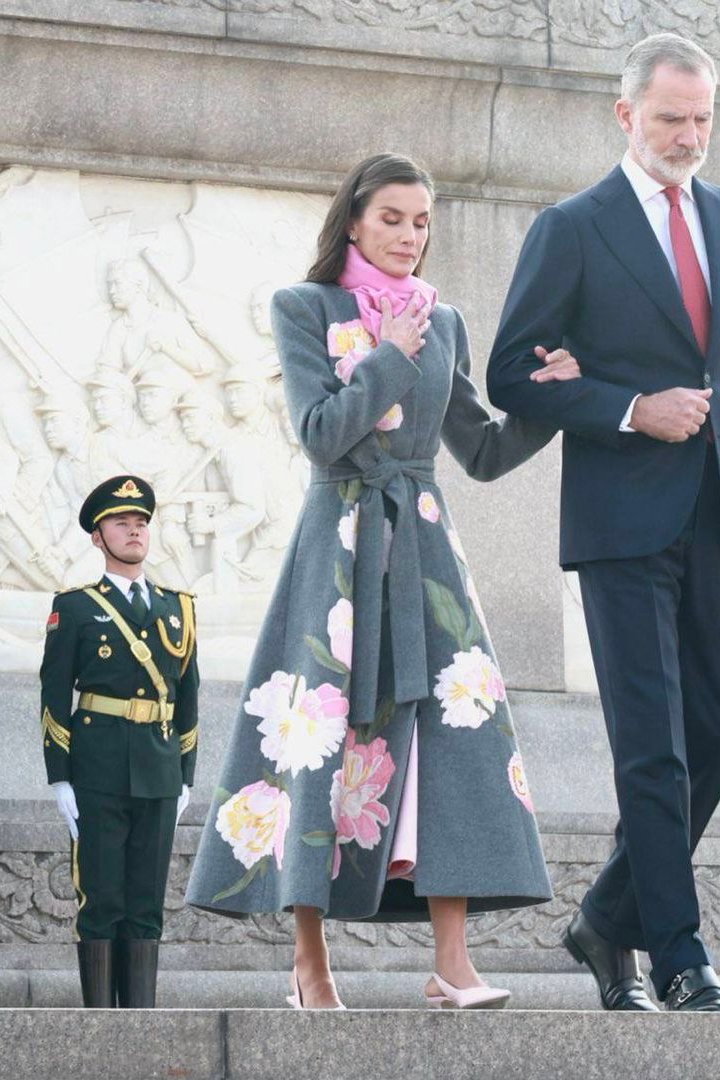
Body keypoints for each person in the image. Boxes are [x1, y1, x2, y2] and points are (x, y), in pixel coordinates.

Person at [183, 153, 579, 1010]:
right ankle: (309, 965)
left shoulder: (445, 321)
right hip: (338, 549)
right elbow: (322, 434)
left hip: (428, 550)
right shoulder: (304, 308)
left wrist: (551, 404)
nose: (409, 235)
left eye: (423, 221)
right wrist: (389, 356)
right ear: (354, 221)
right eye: (393, 218)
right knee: (319, 735)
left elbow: (480, 450)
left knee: (455, 729)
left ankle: (452, 964)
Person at [484, 33, 720, 1012]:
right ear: (627, 116)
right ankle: (678, 954)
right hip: (622, 518)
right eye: (671, 119)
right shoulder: (573, 226)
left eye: (702, 119)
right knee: (651, 747)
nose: (689, 136)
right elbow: (508, 373)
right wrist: (626, 405)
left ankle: (603, 921)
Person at [41, 475, 199, 1008]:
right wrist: (59, 776)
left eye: (140, 523)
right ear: (97, 537)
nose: (133, 531)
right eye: (120, 522)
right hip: (98, 768)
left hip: (158, 770)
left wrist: (186, 776)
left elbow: (188, 698)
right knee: (102, 899)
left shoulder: (179, 608)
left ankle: (141, 1025)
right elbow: (54, 693)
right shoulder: (77, 607)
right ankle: (101, 1030)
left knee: (146, 903)